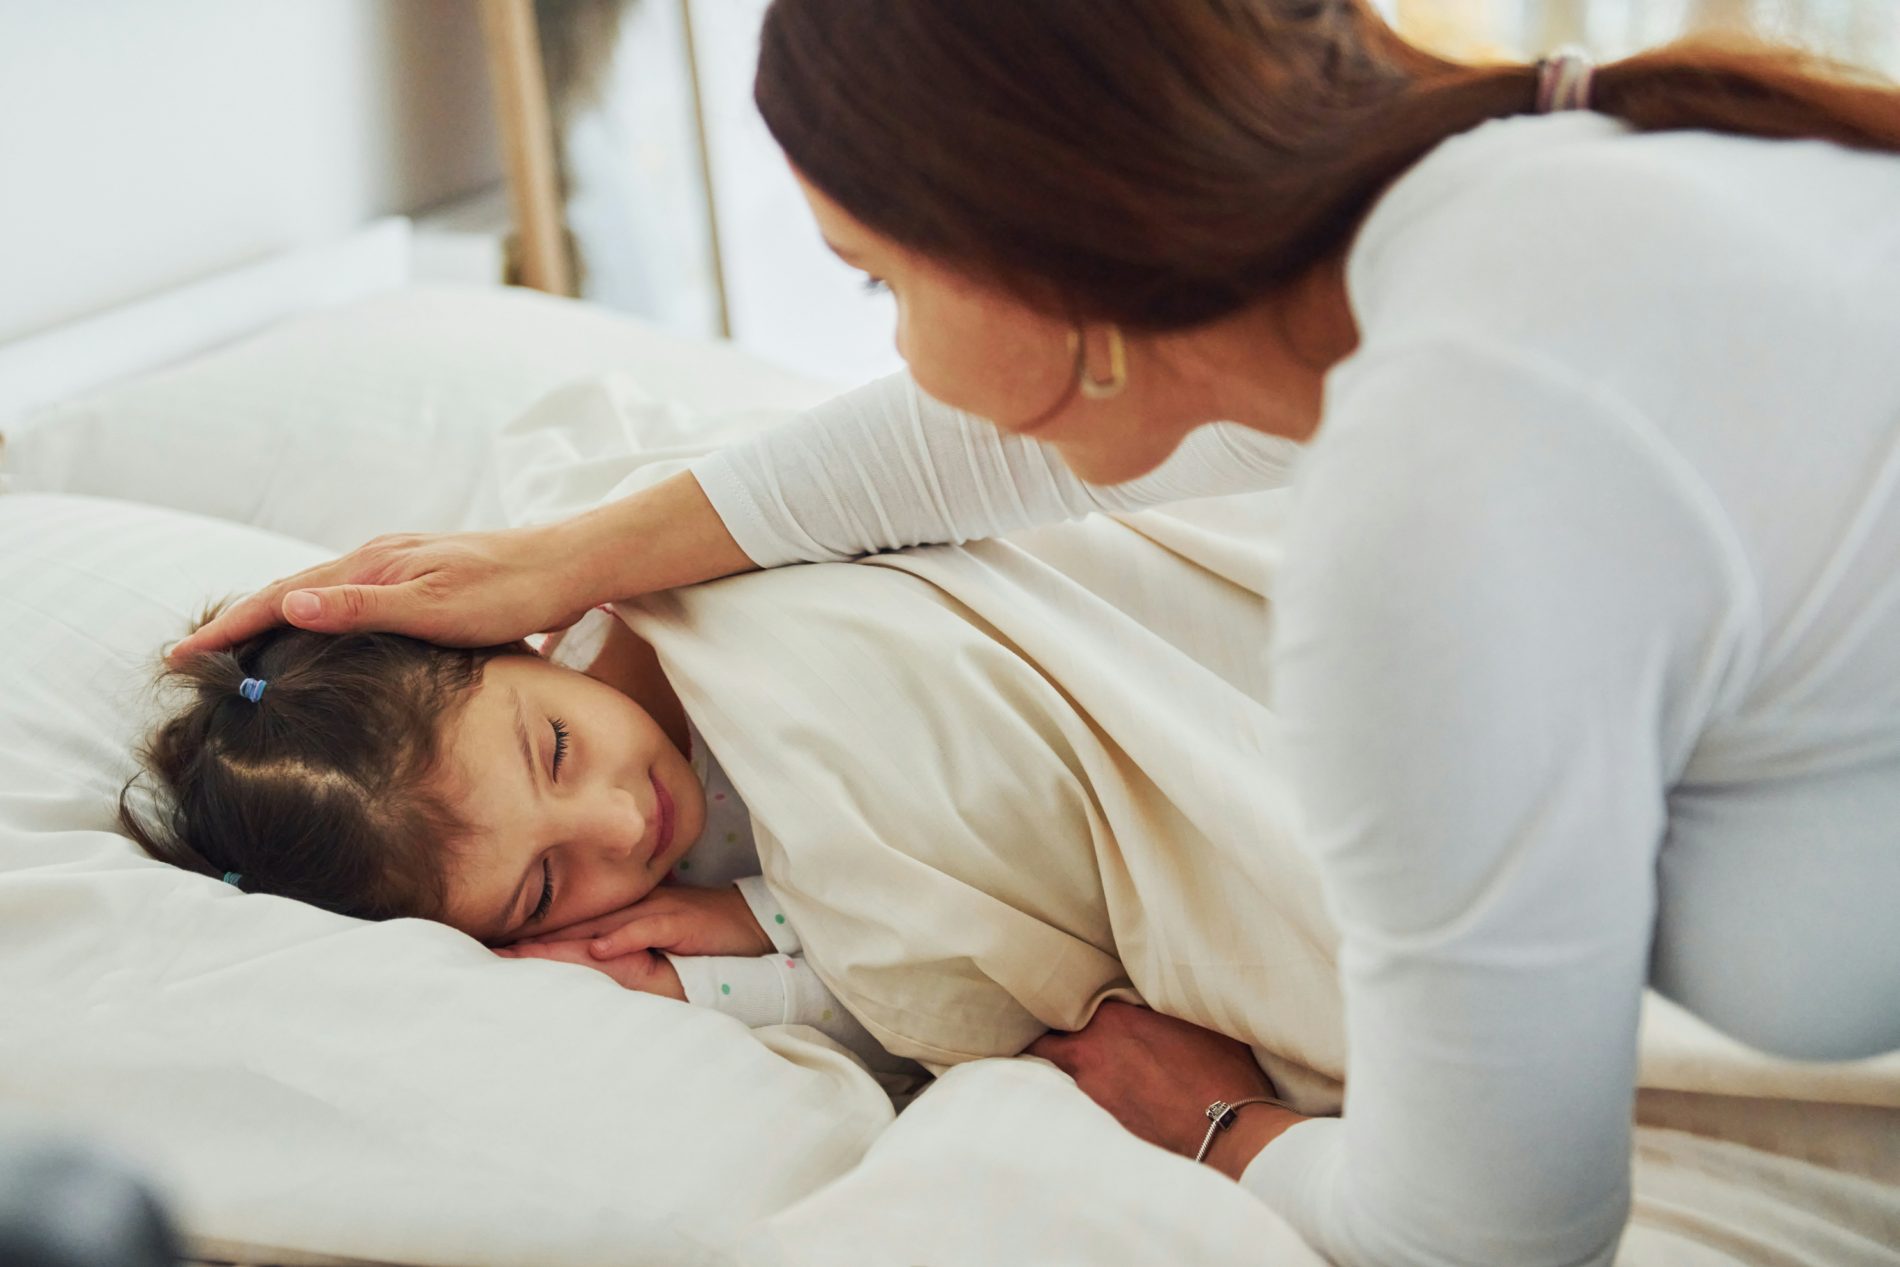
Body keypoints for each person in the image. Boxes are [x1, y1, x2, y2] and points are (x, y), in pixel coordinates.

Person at [168, 3, 1900, 1263]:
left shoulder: (1433, 520)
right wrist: (576, 555)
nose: (897, 351)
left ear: (1050, 246)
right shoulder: (1550, 187)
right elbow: (959, 443)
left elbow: (1489, 1243)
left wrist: (1219, 1127)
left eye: (878, 281)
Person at [125, 605, 905, 1075]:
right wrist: (699, 980)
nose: (623, 825)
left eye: (559, 750)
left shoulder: (662, 626)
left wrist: (759, 915)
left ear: (516, 643)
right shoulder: (646, 937)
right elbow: (910, 1010)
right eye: (543, 886)